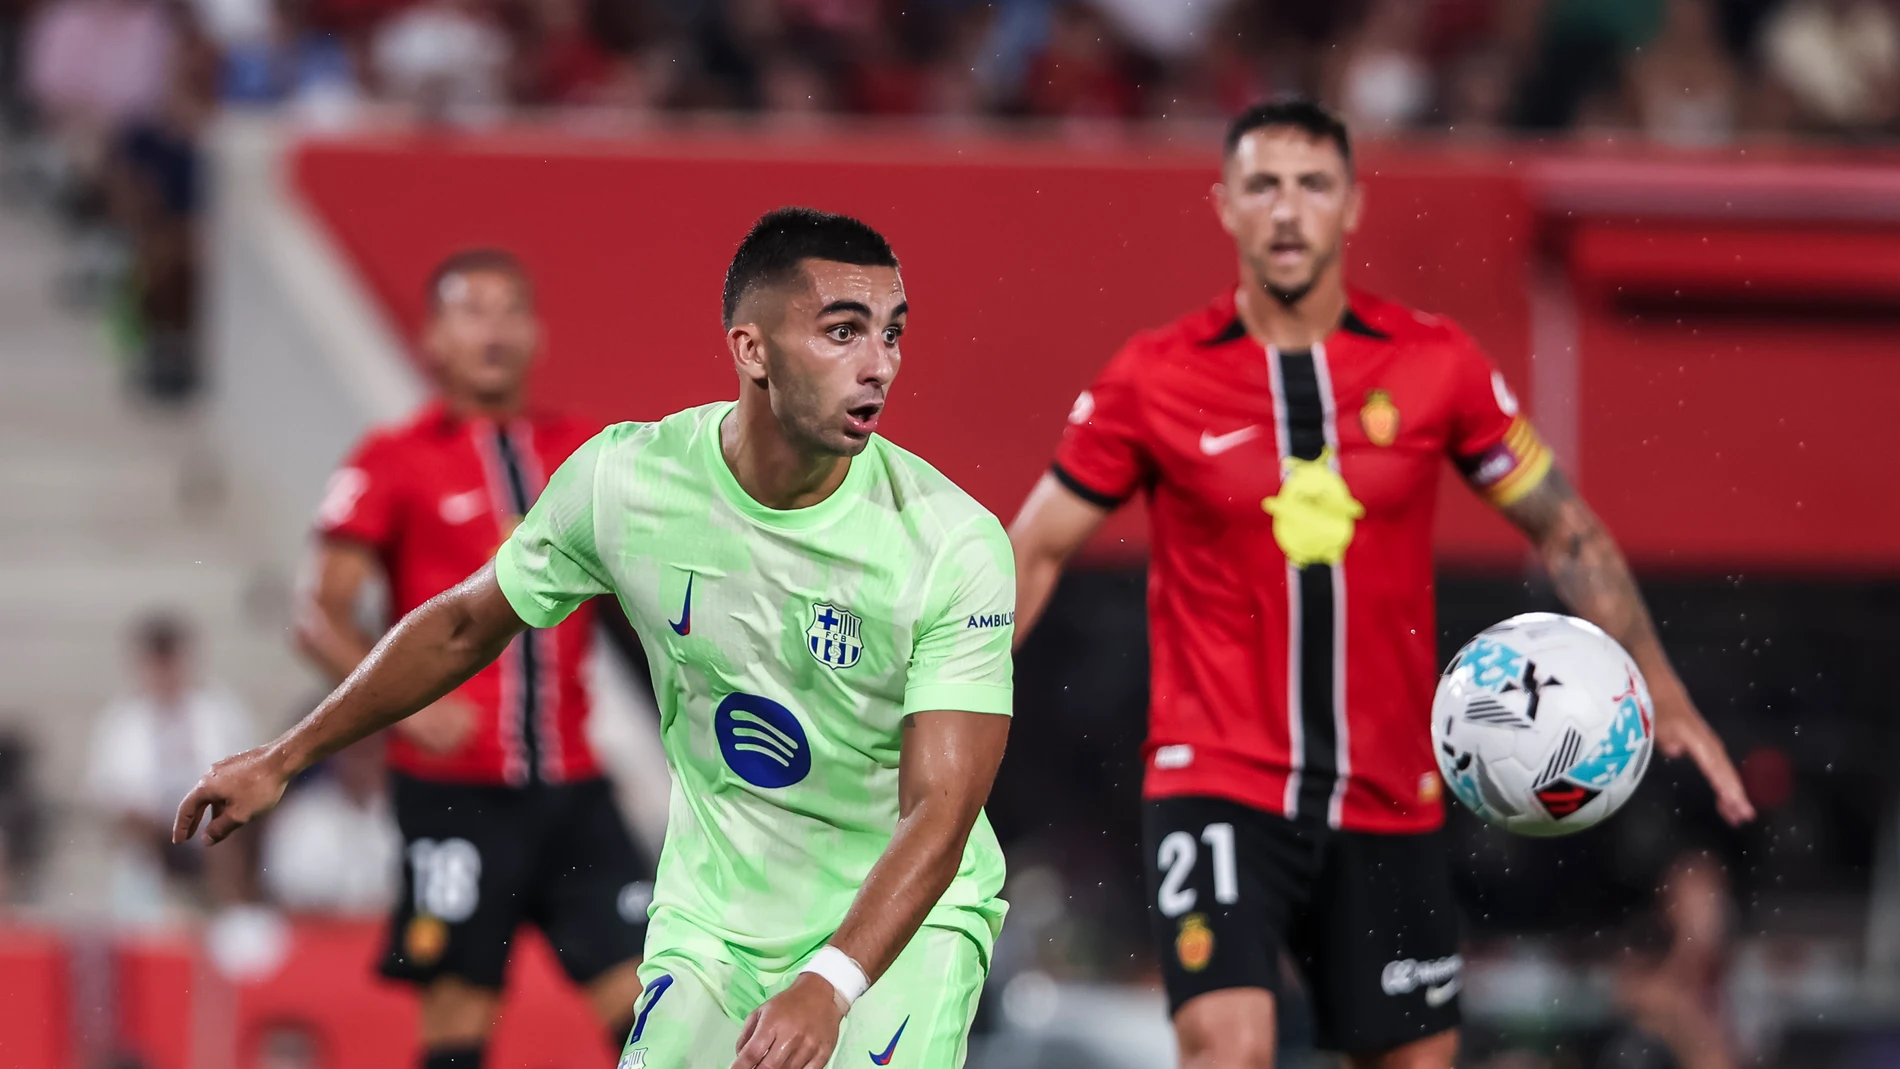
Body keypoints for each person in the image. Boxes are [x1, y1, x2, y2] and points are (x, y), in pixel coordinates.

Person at [1006, 98, 1756, 1069]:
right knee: (1226, 1042)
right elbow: (1033, 548)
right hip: (1218, 775)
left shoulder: (1436, 365)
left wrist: (1655, 678)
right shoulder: (1152, 378)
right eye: (1262, 186)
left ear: (1352, 207)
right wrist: (945, 699)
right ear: (1224, 206)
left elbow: (1561, 524)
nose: (1287, 211)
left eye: (1312, 185)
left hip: (1387, 791)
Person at [177, 207, 1017, 1069]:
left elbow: (942, 810)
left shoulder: (952, 541)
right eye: (844, 332)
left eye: (893, 333)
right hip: (713, 909)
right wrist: (285, 756)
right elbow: (466, 621)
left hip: (900, 919)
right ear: (752, 349)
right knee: (457, 1014)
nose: (879, 364)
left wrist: (831, 980)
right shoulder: (623, 480)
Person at [293, 248, 649, 1069]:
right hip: (454, 796)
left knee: (647, 1012)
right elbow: (318, 614)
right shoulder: (393, 458)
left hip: (575, 788)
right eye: (471, 310)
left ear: (537, 334)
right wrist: (408, 706)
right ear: (434, 339)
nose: (493, 327)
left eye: (509, 309)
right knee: (457, 1020)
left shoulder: (588, 451)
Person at [87, 614, 256, 921]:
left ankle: (232, 914)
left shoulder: (220, 712)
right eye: (157, 661)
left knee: (228, 831)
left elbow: (246, 778)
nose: (165, 672)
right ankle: (145, 921)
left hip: (213, 831)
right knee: (137, 843)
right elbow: (111, 796)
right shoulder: (120, 722)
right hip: (153, 835)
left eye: (171, 659)